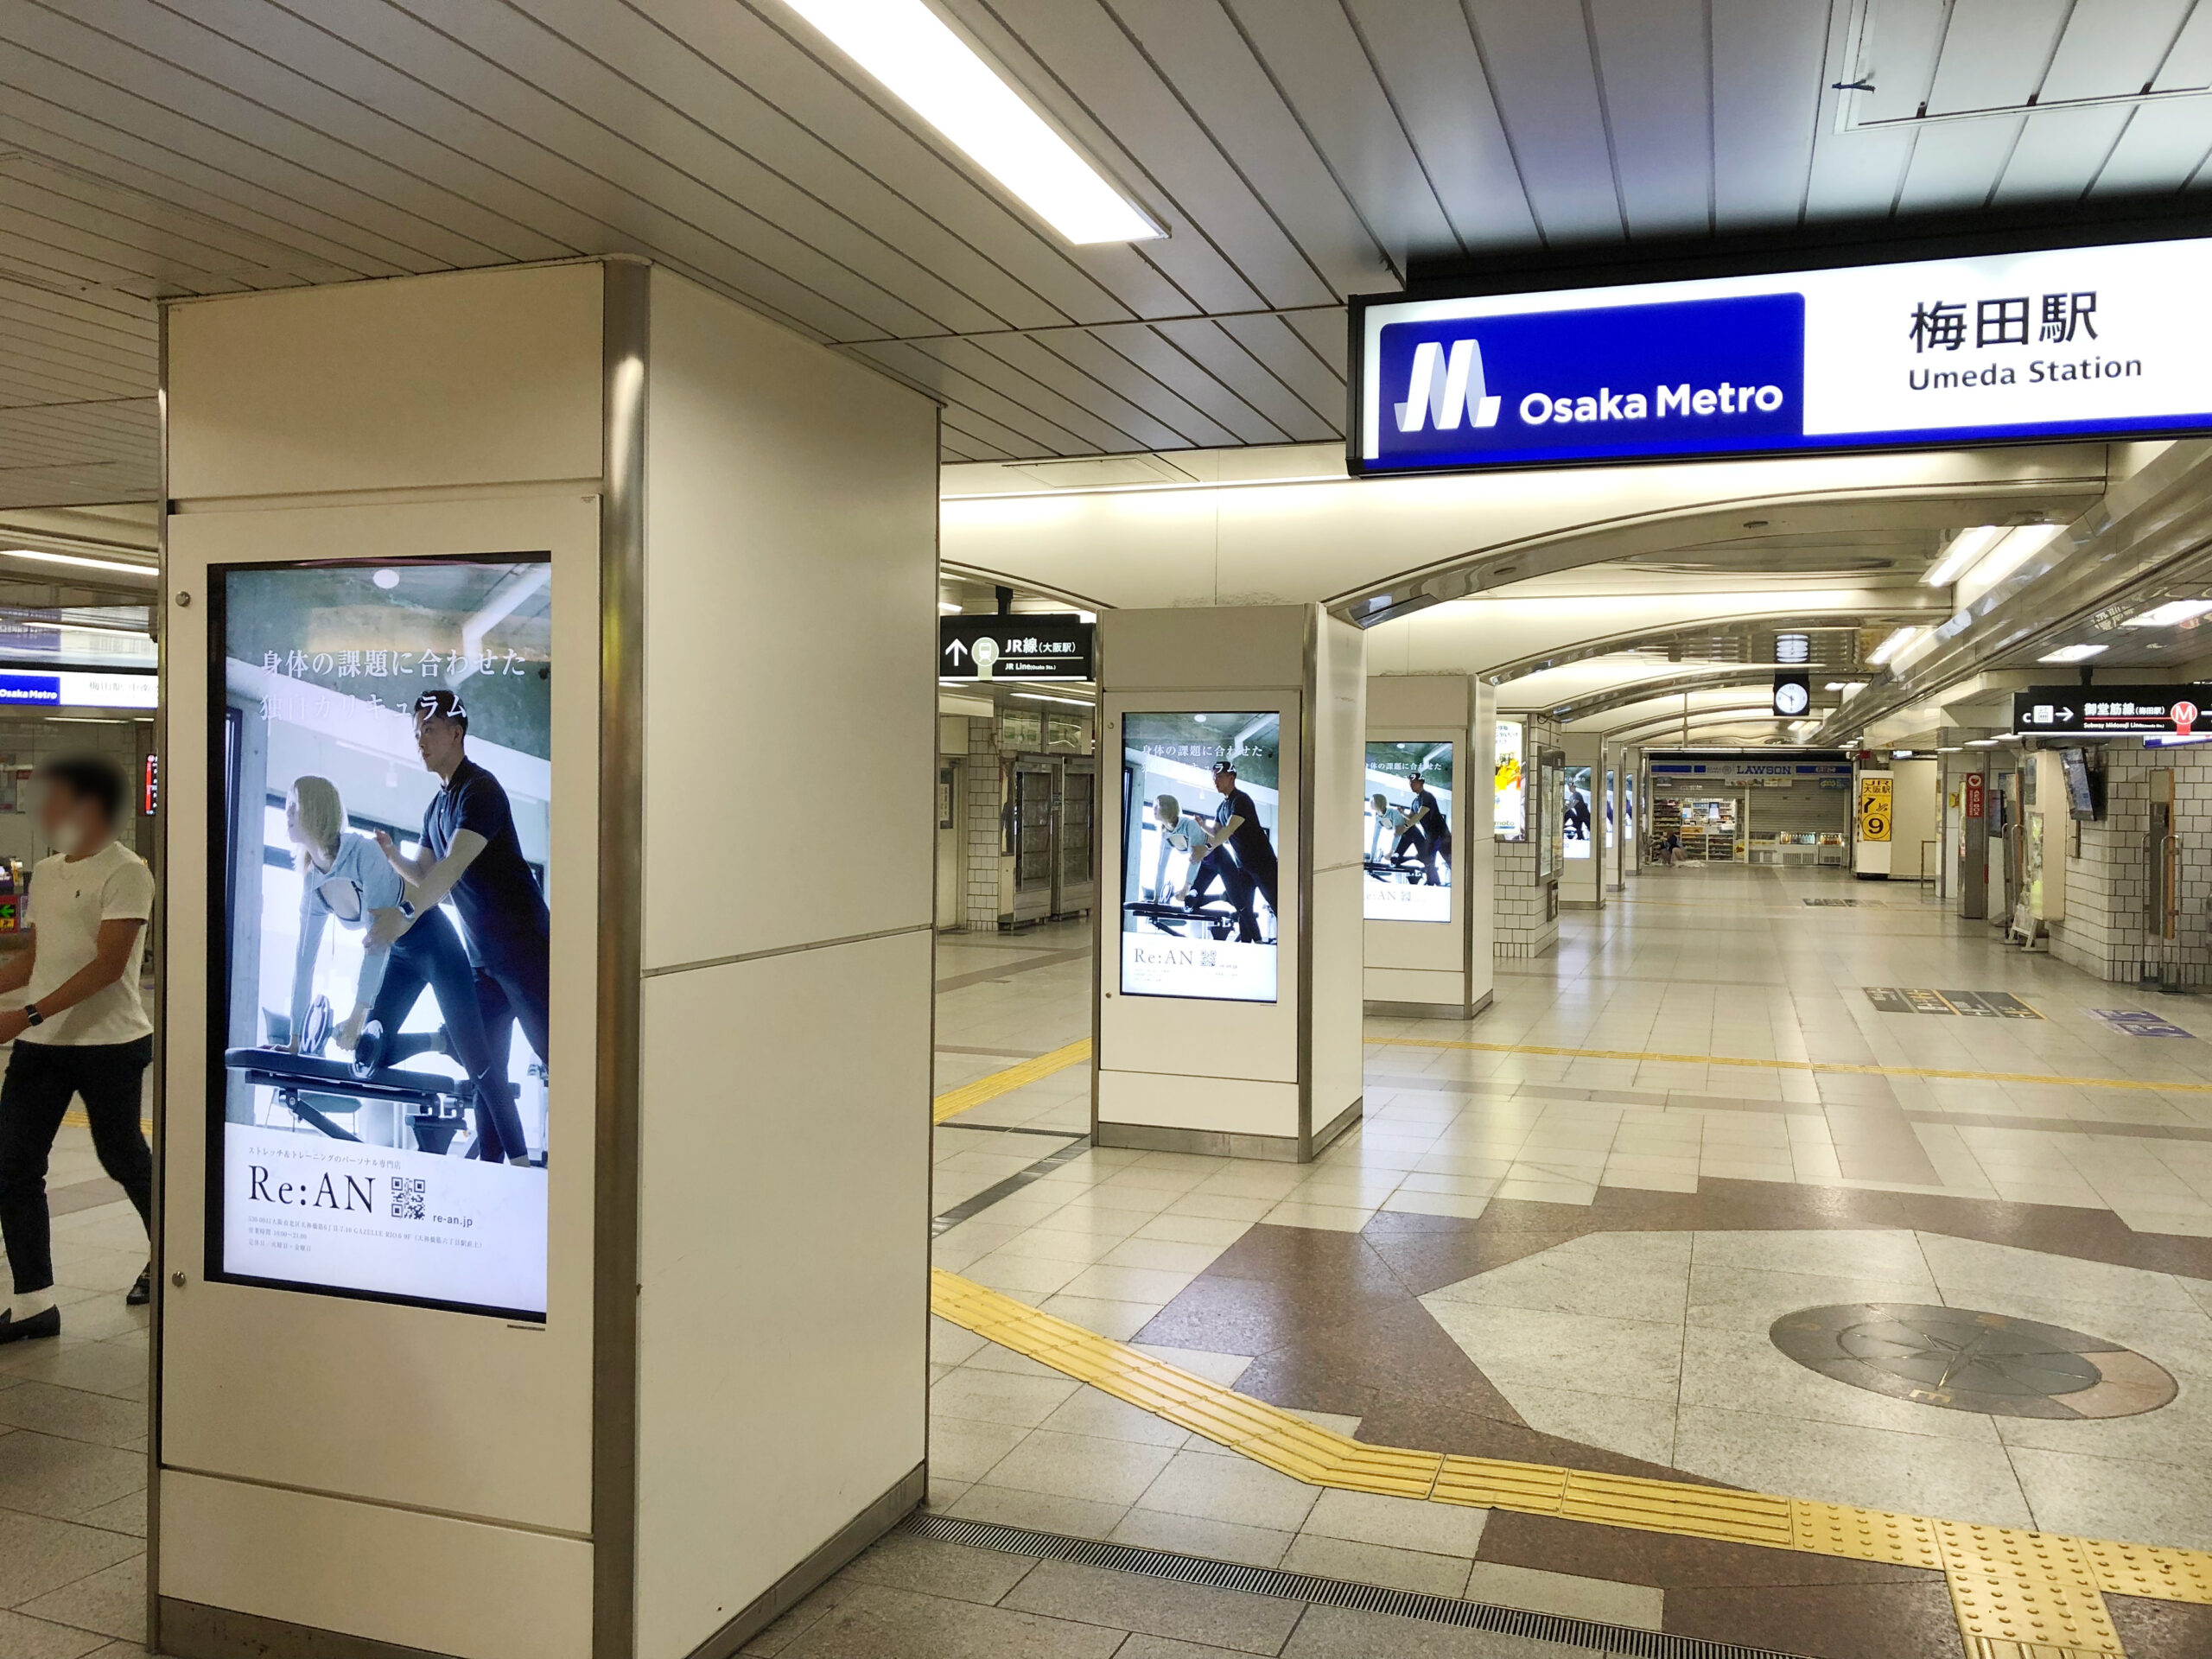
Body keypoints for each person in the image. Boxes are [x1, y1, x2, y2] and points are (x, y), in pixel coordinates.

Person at [284, 775, 524, 1164]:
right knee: (367, 1057)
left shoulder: (362, 852)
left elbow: (377, 939)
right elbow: (303, 959)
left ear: (316, 812)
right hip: (399, 956)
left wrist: (358, 1013)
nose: (287, 813)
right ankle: (442, 1042)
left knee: (482, 1064)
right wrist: (296, 1037)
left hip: (431, 940)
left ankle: (522, 1164)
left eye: (294, 806)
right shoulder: (313, 880)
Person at [0, 757, 155, 1344]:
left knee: (121, 1156)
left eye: (56, 801)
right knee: (13, 1166)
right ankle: (34, 1301)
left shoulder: (128, 872)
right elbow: (38, 959)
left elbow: (108, 967)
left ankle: (165, 1256)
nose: (46, 814)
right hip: (43, 1045)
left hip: (110, 1043)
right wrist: (18, 1003)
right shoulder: (46, 872)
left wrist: (26, 1013)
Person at [375, 690, 550, 1164]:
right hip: (482, 964)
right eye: (416, 734)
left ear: (457, 732)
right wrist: (393, 858)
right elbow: (429, 874)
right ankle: (496, 1174)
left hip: (527, 953)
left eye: (428, 730)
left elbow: (453, 868)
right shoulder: (436, 808)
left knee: (561, 1061)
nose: (420, 741)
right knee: (485, 1071)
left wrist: (405, 915)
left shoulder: (481, 790)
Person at [1208, 761, 1278, 944]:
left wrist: (1208, 847)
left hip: (1263, 864)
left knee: (1278, 905)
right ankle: (1248, 947)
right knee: (1244, 909)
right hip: (1243, 868)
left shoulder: (1241, 800)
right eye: (1214, 778)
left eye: (1220, 777)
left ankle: (1291, 946)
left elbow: (1229, 829)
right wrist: (1200, 826)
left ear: (1232, 777)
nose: (1215, 781)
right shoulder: (1221, 808)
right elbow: (1216, 833)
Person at [1149, 795, 1215, 905]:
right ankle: (1223, 897)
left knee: (1191, 900)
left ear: (1168, 809)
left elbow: (1195, 858)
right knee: (1191, 902)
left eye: (1158, 806)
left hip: (1215, 857)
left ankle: (1224, 897)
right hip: (1202, 863)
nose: (1154, 809)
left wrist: (1185, 888)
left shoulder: (1191, 824)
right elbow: (1161, 866)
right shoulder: (1166, 833)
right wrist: (1156, 897)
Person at [1402, 772, 1452, 887]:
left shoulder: (1427, 797)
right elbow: (1412, 817)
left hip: (1442, 836)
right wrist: (1402, 814)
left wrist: (1406, 826)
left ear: (1421, 783)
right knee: (1429, 863)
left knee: (1451, 861)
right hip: (1430, 837)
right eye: (1410, 783)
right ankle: (1434, 885)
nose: (1411, 785)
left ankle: (1457, 887)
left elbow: (1419, 815)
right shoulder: (1415, 802)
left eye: (1414, 782)